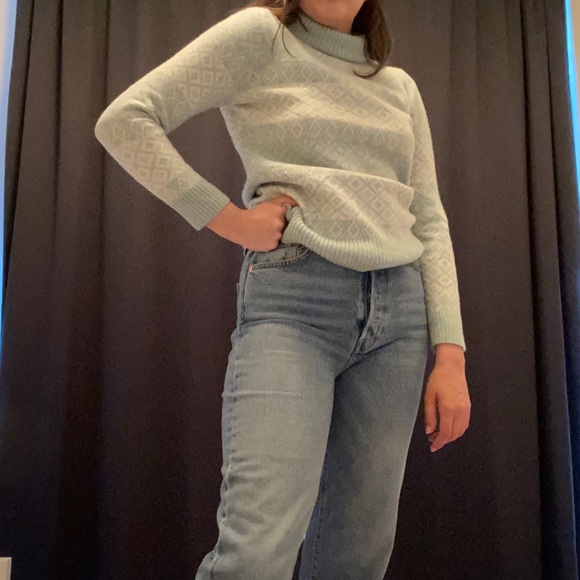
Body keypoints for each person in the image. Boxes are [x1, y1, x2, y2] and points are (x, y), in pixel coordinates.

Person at [94, 0, 472, 578]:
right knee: (258, 547)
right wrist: (227, 218)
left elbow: (429, 218)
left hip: (400, 319)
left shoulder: (399, 87)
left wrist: (451, 353)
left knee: (358, 554)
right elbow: (125, 120)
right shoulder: (261, 36)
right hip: (295, 304)